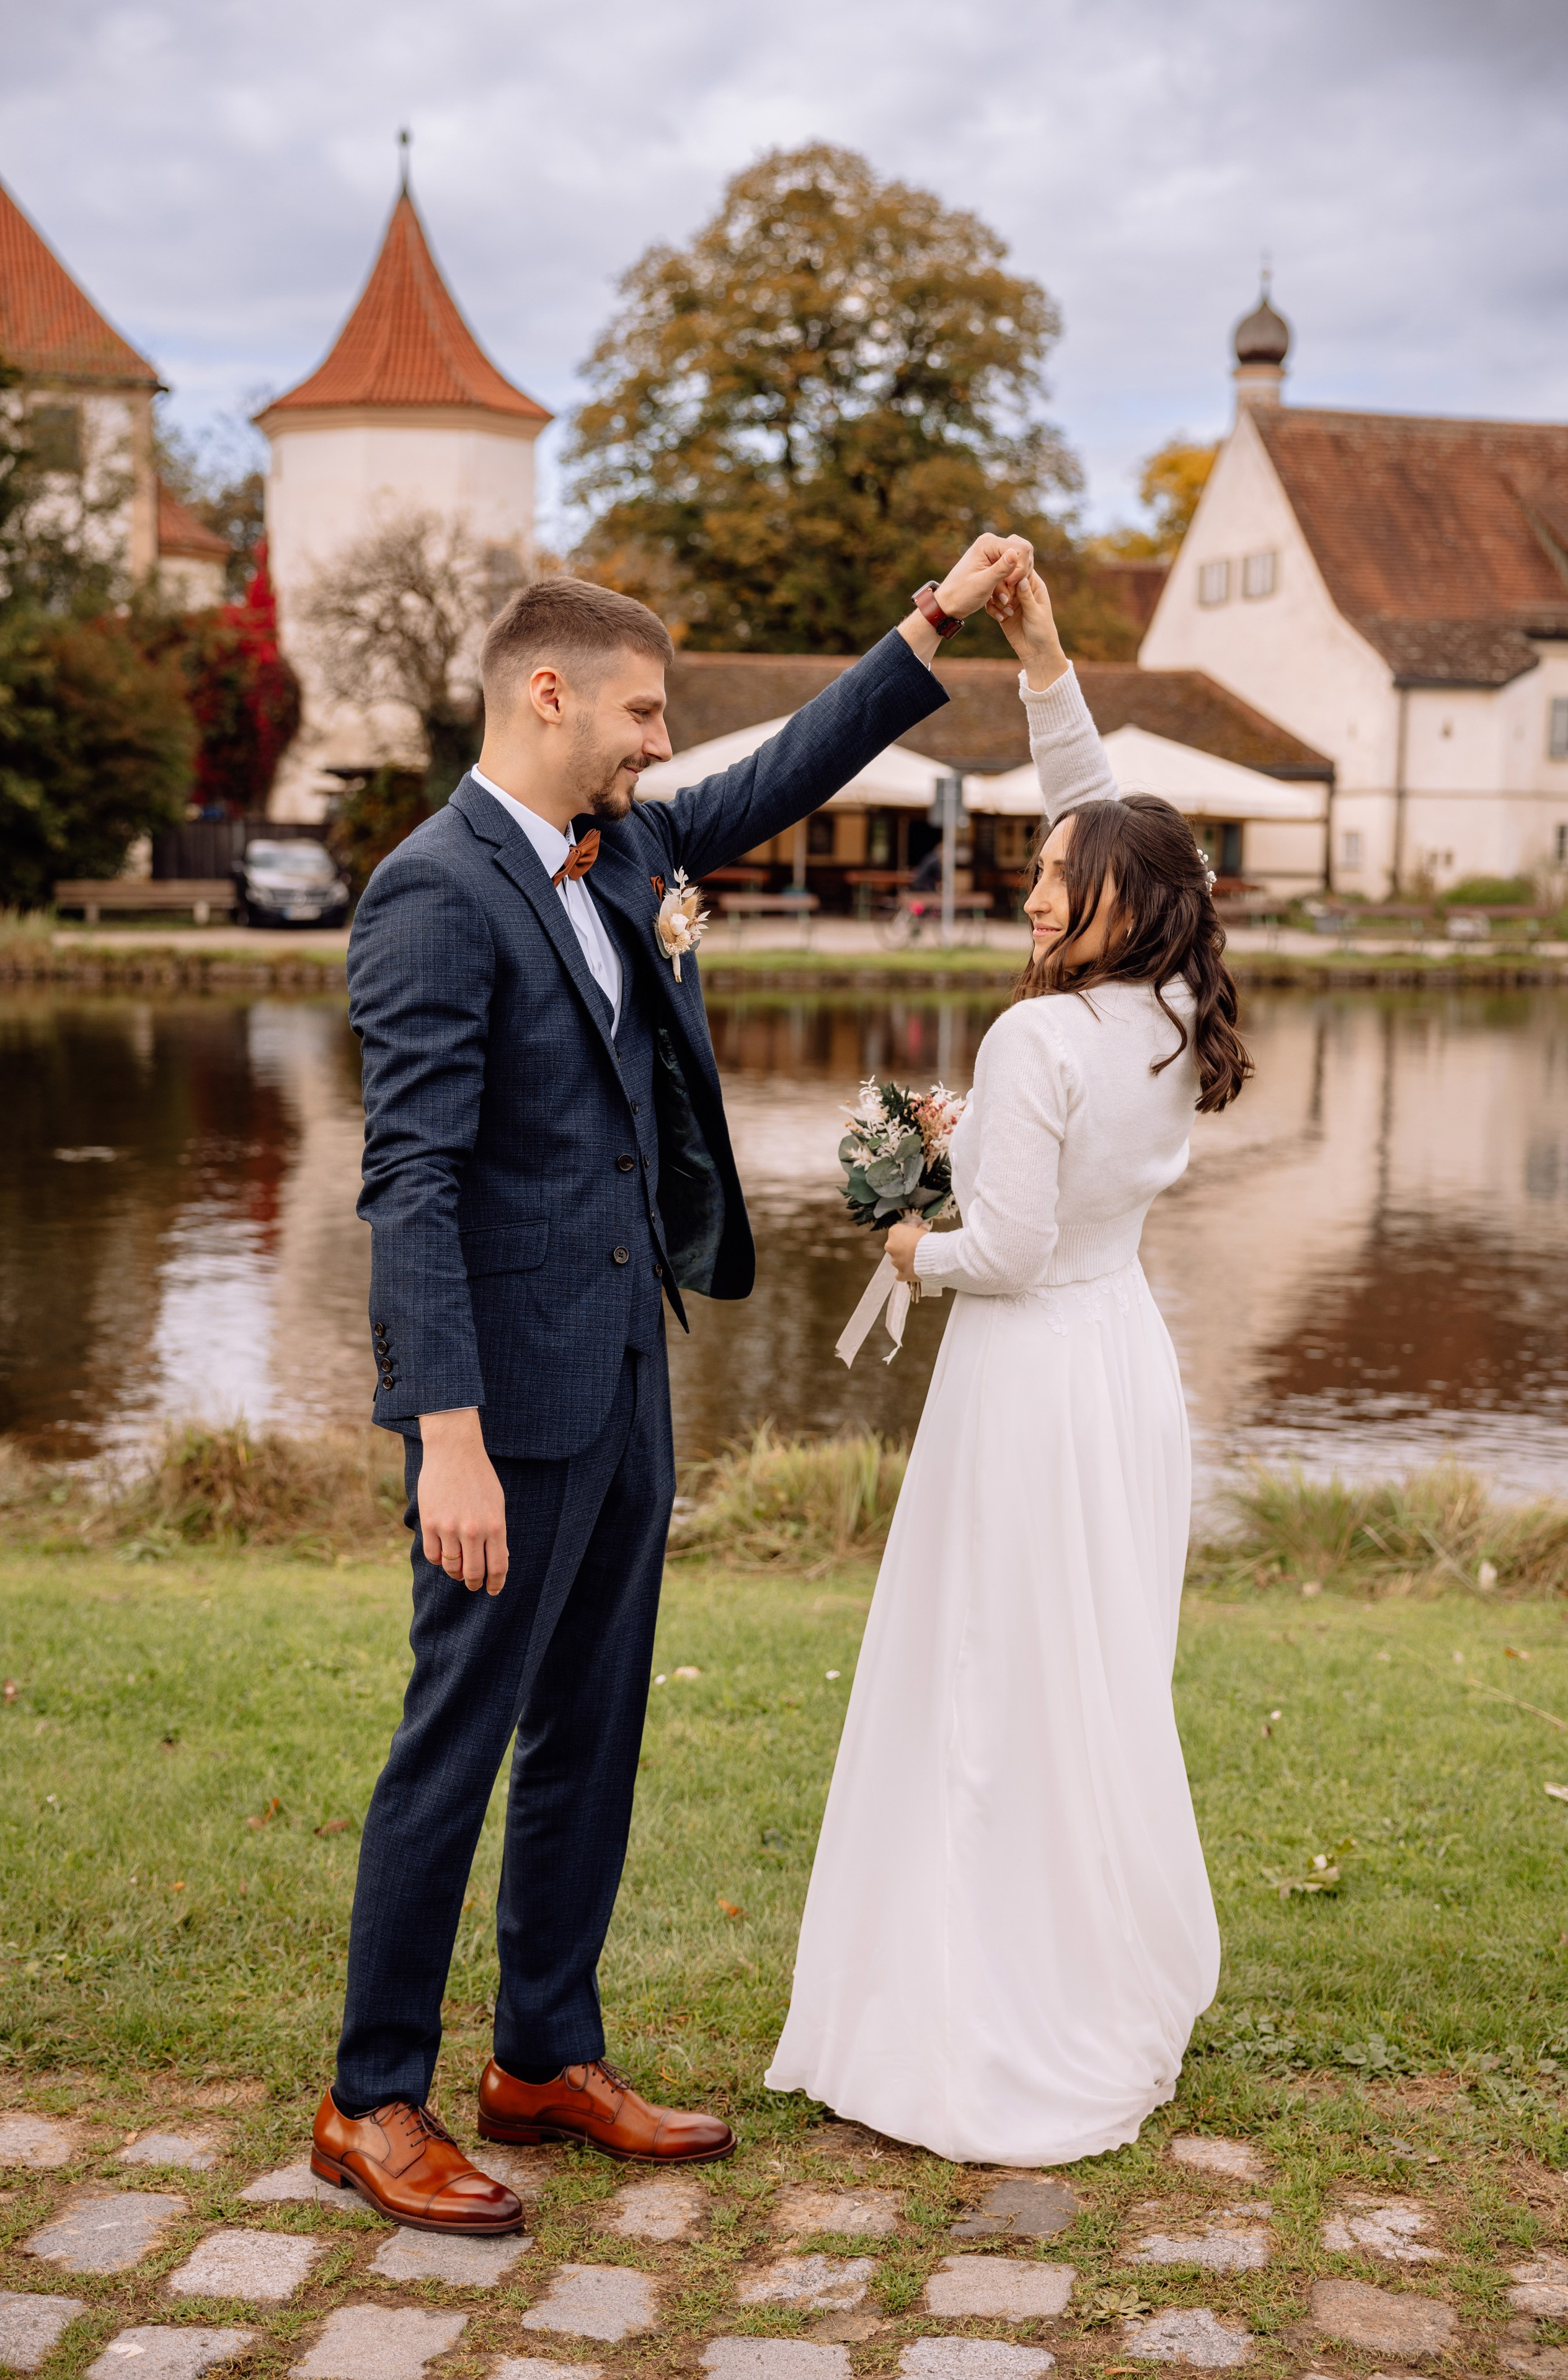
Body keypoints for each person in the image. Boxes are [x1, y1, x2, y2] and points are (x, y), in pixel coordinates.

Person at [311, 541, 1036, 2233]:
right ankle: (369, 2095)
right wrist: (449, 1437)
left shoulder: (630, 841)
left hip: (631, 1376)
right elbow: (409, 1179)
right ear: (545, 693)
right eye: (639, 711)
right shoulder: (430, 893)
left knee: (595, 1729)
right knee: (457, 1739)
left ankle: (545, 2053)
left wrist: (926, 624)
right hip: (501, 1412)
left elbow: (786, 767)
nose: (657, 742)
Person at [765, 569, 1251, 2165]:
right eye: (1037, 867)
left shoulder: (1037, 1038)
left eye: (1058, 875)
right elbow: (1111, 813)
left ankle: (982, 2005)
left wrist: (910, 1242)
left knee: (986, 1672)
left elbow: (1009, 1255)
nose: (1036, 886)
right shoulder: (1172, 1004)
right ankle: (1085, 1953)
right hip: (1119, 1367)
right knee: (1086, 1672)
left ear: (1125, 898)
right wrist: (1044, 665)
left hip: (1027, 1370)